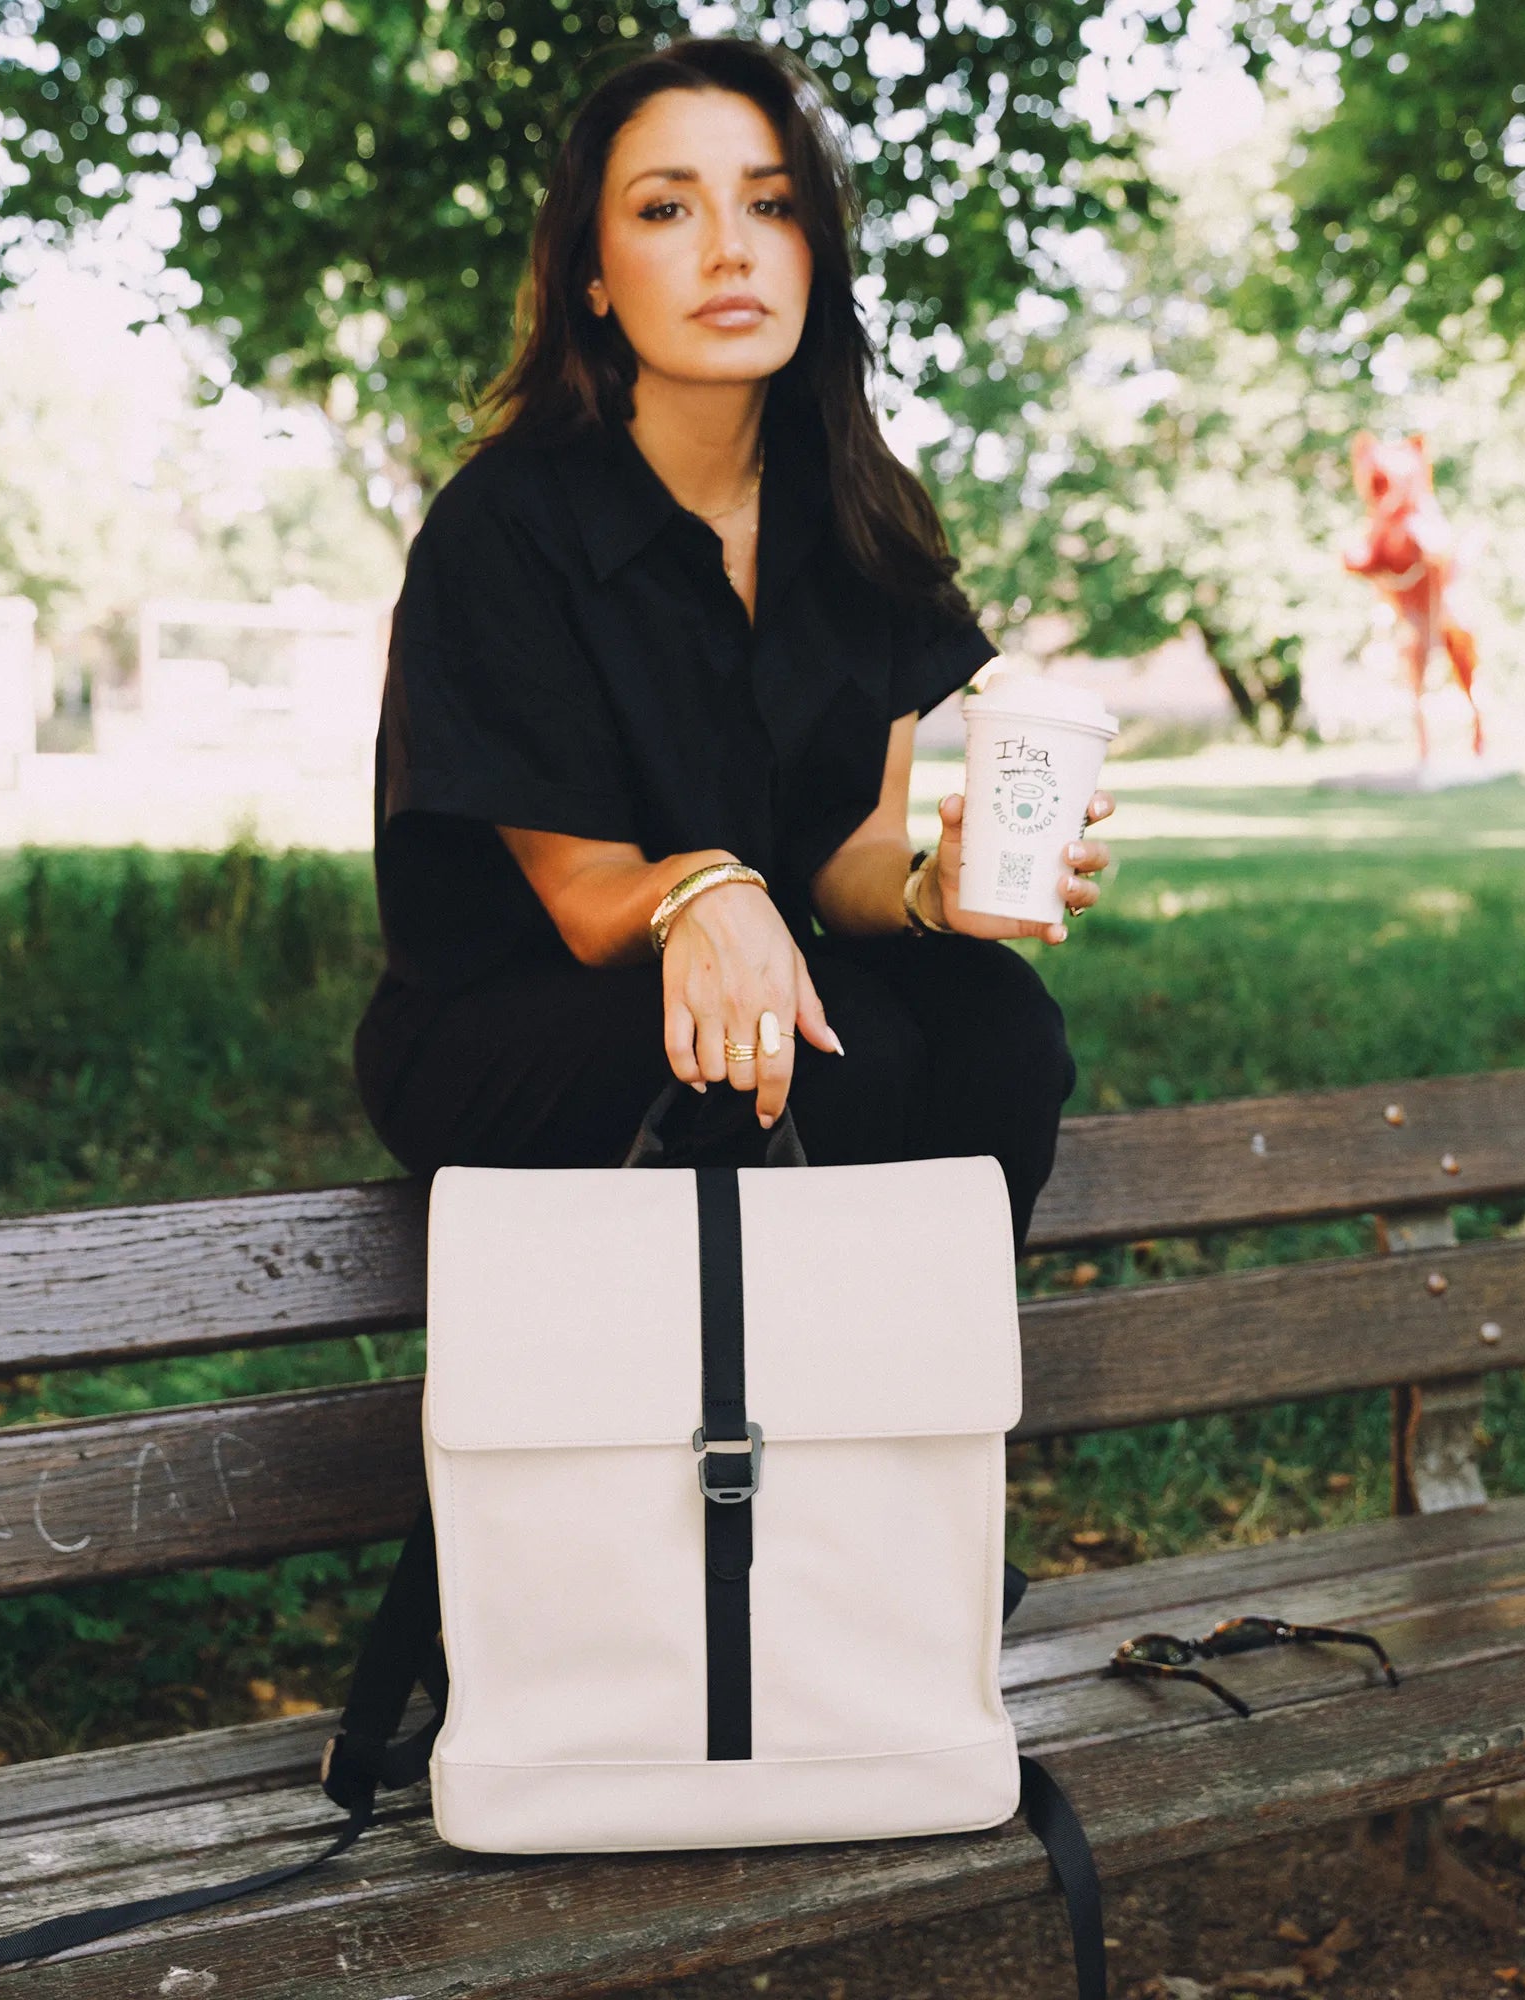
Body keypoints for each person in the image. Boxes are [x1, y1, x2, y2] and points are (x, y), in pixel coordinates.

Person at [351, 32, 1116, 1257]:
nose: (729, 247)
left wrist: (933, 886)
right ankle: (728, 1428)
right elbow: (587, 894)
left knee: (993, 1023)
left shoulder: (863, 514)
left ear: (812, 248)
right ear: (592, 273)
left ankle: (920, 1407)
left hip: (751, 983)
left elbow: (848, 857)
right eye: (665, 208)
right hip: (512, 1018)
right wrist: (709, 882)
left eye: (770, 202)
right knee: (782, 1058)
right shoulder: (501, 527)